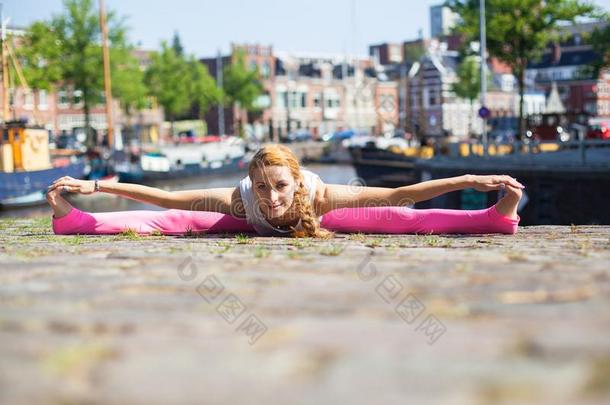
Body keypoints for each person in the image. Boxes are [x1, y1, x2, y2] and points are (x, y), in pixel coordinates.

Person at [46, 144, 523, 237]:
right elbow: (164, 198)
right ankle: (77, 223)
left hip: (316, 217)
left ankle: (493, 217)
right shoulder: (243, 200)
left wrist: (468, 181)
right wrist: (92, 186)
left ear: (296, 182)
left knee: (401, 219)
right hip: (238, 221)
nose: (271, 197)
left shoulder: (318, 196)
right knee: (175, 220)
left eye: (278, 187)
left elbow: (404, 194)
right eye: (262, 188)